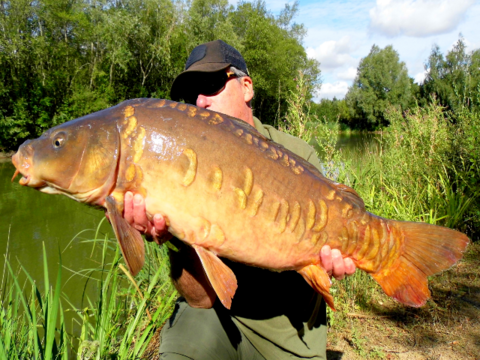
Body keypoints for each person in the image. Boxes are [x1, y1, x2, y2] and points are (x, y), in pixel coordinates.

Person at [123, 40, 356, 359]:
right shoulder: (181, 163)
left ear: (246, 87)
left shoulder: (298, 155)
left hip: (287, 328)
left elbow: (339, 232)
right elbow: (200, 299)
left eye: (211, 84)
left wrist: (338, 256)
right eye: (191, 95)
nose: (200, 101)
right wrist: (173, 239)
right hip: (214, 314)